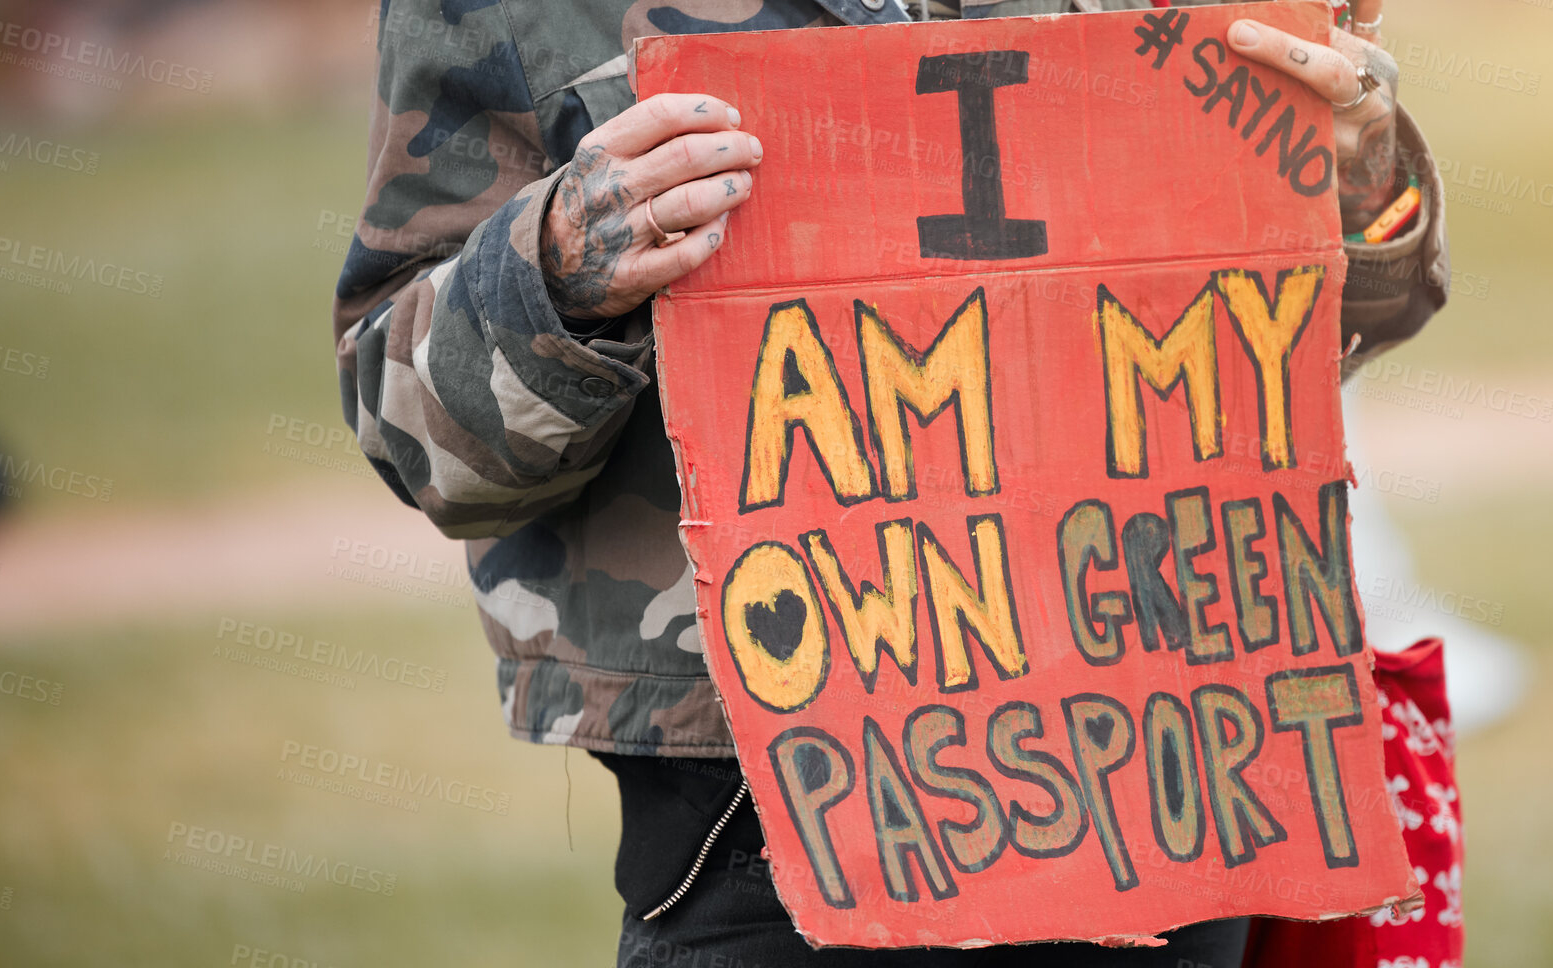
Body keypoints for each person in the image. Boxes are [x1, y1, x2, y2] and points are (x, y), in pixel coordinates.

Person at [331, 0, 1451, 963]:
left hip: (1169, 755)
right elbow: (413, 442)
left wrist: (1354, 182)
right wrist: (557, 268)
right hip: (758, 820)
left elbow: (1356, 315)